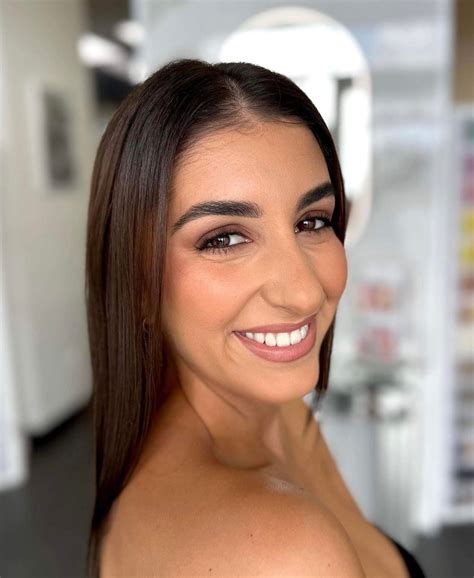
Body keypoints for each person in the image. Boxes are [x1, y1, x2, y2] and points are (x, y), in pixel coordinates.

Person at [85, 58, 425, 577]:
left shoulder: (280, 413)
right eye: (224, 238)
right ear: (138, 280)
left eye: (312, 222)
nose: (304, 292)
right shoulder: (282, 551)